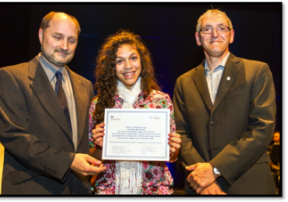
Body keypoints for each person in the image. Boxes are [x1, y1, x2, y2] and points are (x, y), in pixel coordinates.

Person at [0, 11, 106, 194]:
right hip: (33, 187)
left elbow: (82, 143)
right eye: (57, 37)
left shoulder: (85, 85)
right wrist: (68, 161)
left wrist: (99, 142)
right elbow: (14, 137)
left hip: (78, 188)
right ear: (40, 34)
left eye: (71, 40)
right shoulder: (10, 77)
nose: (64, 46)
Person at [173, 9, 277, 194]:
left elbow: (262, 128)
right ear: (198, 38)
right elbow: (181, 134)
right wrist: (202, 179)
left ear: (231, 35)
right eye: (207, 29)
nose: (215, 34)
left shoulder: (257, 71)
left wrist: (214, 170)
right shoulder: (184, 82)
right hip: (200, 187)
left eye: (221, 28)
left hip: (249, 184)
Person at [89, 29, 181, 194]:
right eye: (119, 61)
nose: (128, 66)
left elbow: (171, 156)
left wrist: (174, 150)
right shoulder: (98, 104)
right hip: (110, 189)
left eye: (133, 58)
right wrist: (99, 147)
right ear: (111, 66)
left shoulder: (161, 101)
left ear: (142, 61)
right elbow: (90, 160)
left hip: (154, 189)